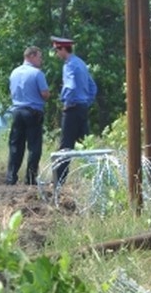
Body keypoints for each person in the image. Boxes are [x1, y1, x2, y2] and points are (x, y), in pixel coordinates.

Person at [51, 36, 97, 186]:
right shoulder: (81, 63)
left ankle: (58, 182)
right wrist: (86, 102)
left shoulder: (69, 65)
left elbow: (69, 86)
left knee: (65, 146)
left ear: (63, 49)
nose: (57, 53)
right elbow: (92, 87)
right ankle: (96, 177)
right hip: (82, 107)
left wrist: (66, 102)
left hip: (72, 109)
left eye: (57, 50)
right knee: (85, 144)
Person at [5, 45, 50, 185]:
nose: (41, 60)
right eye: (39, 57)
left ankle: (11, 177)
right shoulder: (37, 74)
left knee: (15, 145)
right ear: (31, 56)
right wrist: (48, 95)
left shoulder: (14, 73)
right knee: (34, 146)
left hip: (17, 111)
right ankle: (30, 178)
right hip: (33, 112)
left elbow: (12, 92)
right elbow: (44, 94)